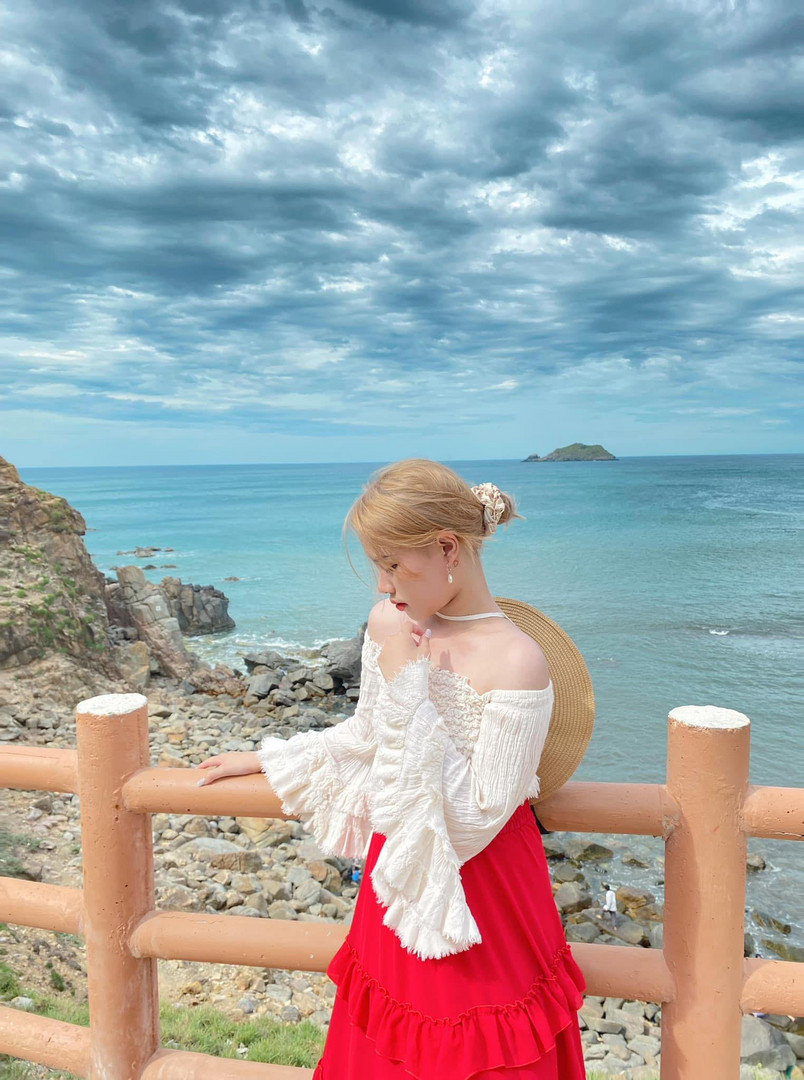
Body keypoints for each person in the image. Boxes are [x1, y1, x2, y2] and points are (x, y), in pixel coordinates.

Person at [195, 459, 590, 1079]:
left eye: (393, 564)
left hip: (480, 896)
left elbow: (479, 815)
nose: (383, 586)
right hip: (397, 875)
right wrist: (271, 757)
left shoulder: (518, 660)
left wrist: (408, 669)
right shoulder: (391, 623)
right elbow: (368, 735)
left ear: (447, 547)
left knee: (483, 1053)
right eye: (378, 565)